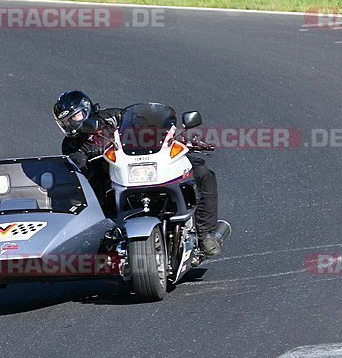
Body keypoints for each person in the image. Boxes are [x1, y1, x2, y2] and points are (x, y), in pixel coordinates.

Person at [53, 90, 222, 256]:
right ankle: (108, 235)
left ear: (86, 109)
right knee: (92, 188)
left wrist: (173, 138)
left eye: (74, 117)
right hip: (111, 175)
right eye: (65, 123)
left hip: (145, 161)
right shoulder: (70, 145)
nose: (71, 125)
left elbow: (146, 125)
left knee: (202, 173)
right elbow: (79, 164)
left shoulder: (112, 117)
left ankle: (205, 234)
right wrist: (94, 155)